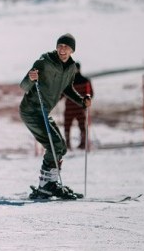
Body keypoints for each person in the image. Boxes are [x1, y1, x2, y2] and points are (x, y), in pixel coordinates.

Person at [19, 34, 92, 199]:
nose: (62, 49)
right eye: (60, 46)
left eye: (66, 46)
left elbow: (67, 89)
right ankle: (46, 186)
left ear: (72, 50)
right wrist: (30, 78)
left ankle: (50, 184)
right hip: (31, 110)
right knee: (55, 145)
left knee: (61, 147)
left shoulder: (71, 68)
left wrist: (82, 101)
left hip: (44, 112)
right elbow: (23, 86)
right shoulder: (44, 62)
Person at [61, 62, 94, 150]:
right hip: (76, 108)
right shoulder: (85, 81)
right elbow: (90, 94)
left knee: (71, 126)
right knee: (78, 126)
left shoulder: (69, 81)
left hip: (73, 108)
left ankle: (74, 143)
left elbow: (61, 95)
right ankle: (77, 143)